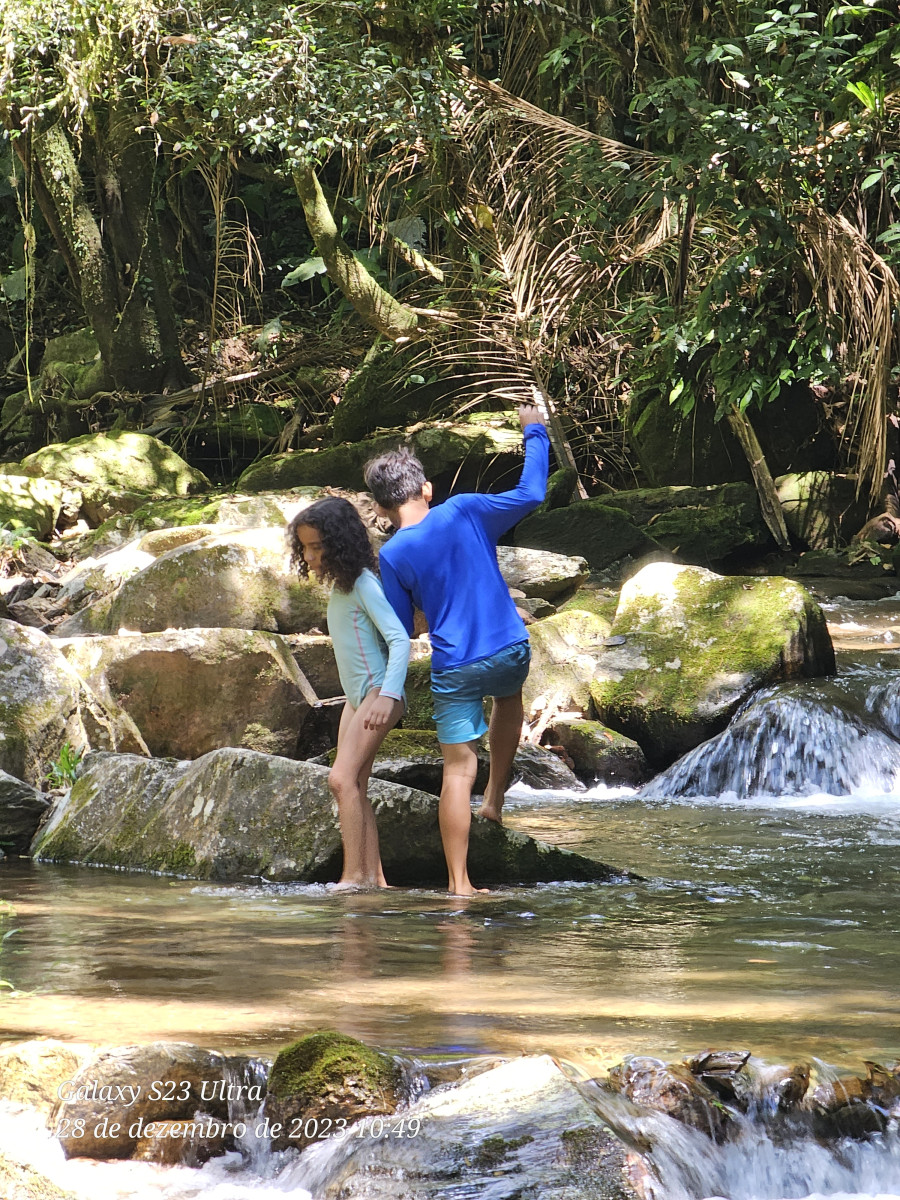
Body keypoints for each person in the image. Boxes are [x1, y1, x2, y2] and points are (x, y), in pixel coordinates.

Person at [364, 404, 549, 896]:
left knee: (456, 768)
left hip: (455, 666)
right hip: (509, 649)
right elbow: (532, 492)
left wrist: (385, 689)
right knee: (509, 699)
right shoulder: (463, 509)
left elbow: (401, 632)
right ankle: (494, 801)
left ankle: (460, 885)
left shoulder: (392, 555)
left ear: (381, 509)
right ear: (425, 489)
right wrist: (535, 432)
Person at [286, 496, 410, 889]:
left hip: (377, 693)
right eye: (304, 547)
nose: (308, 555)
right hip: (357, 699)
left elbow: (399, 639)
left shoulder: (362, 583)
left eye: (317, 546)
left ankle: (353, 878)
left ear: (339, 543)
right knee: (355, 784)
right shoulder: (342, 587)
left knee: (341, 780)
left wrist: (388, 696)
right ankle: (376, 880)